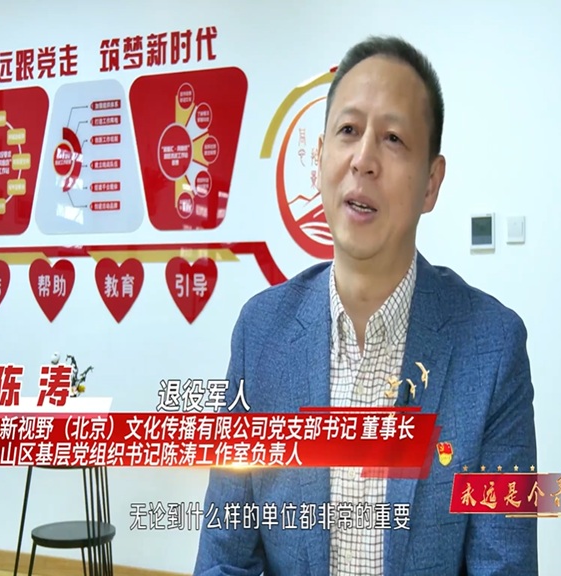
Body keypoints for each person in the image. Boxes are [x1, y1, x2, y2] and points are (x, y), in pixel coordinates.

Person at [194, 34, 537, 576]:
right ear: (319, 158)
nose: (364, 160)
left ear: (431, 183)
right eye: (348, 131)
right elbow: (224, 556)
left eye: (393, 138)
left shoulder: (492, 349)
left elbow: (504, 564)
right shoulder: (260, 334)